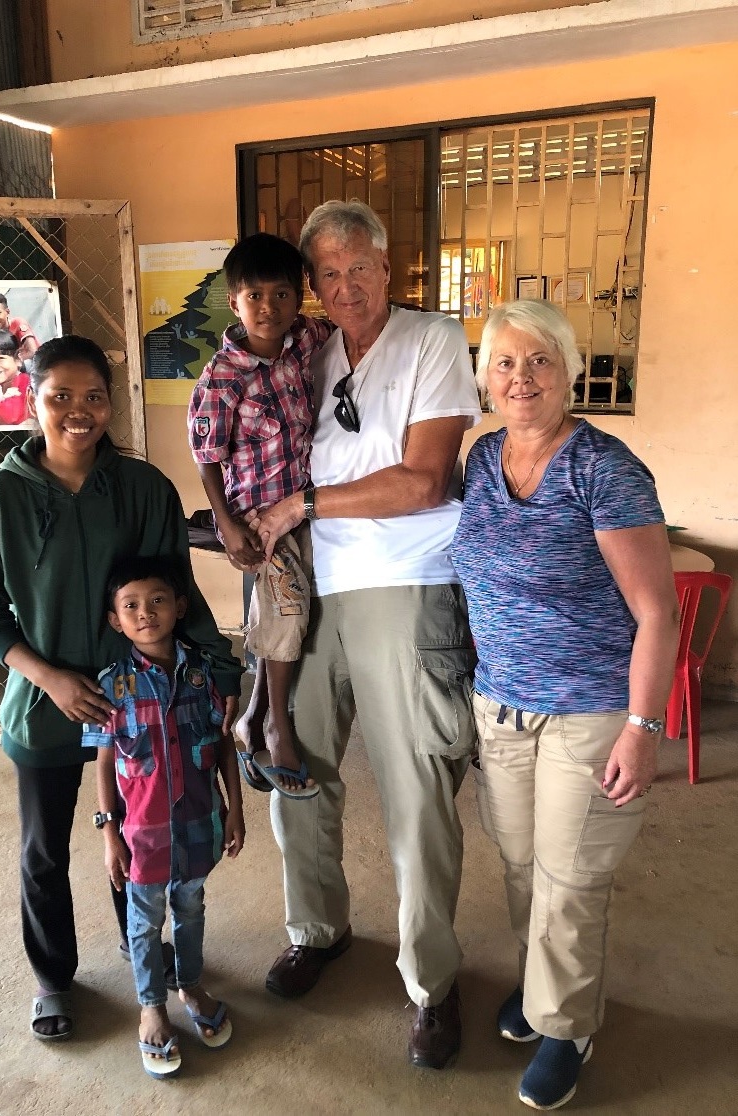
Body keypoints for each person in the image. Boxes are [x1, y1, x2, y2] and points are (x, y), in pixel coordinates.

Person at [0, 334, 242, 1043]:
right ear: (32, 401)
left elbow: (177, 591)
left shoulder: (143, 489)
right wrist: (47, 677)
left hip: (142, 703)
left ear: (110, 404)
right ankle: (54, 977)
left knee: (142, 835)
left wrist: (220, 668)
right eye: (60, 397)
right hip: (46, 704)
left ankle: (141, 948)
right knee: (44, 850)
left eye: (93, 397)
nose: (77, 412)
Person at [250, 199, 481, 1069]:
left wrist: (299, 504)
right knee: (295, 762)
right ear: (312, 284)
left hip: (405, 583)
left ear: (389, 267)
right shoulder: (307, 353)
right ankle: (318, 928)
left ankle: (431, 980)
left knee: (415, 786)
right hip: (312, 582)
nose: (344, 285)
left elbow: (423, 481)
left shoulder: (431, 341)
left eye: (359, 267)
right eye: (328, 273)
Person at [450, 299, 679, 1110]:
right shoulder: (480, 461)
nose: (522, 378)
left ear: (568, 373)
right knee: (520, 864)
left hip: (590, 711)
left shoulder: (603, 469)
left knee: (570, 876)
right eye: (505, 363)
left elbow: (658, 611)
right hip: (501, 705)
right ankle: (552, 987)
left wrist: (644, 728)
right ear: (486, 378)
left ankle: (566, 1024)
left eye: (540, 360)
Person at [84, 554, 244, 1079]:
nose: (145, 613)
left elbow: (223, 749)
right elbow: (103, 761)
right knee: (145, 921)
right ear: (115, 619)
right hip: (142, 836)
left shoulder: (206, 676)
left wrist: (235, 810)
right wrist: (110, 835)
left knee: (191, 910)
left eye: (157, 601)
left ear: (180, 606)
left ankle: (190, 983)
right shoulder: (107, 687)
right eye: (130, 605)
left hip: (200, 824)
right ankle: (151, 1005)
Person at [188, 232, 332, 798]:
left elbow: (353, 323)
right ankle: (277, 724)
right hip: (254, 517)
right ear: (235, 302)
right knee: (291, 611)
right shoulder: (222, 379)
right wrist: (227, 524)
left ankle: (250, 719)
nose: (268, 308)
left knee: (283, 610)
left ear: (299, 300)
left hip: (304, 508)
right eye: (255, 297)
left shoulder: (305, 342)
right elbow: (206, 457)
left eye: (281, 295)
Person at [0, 289, 39, 367]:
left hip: (36, 364)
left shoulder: (17, 323)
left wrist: (13, 364)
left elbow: (33, 352)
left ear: (7, 312)